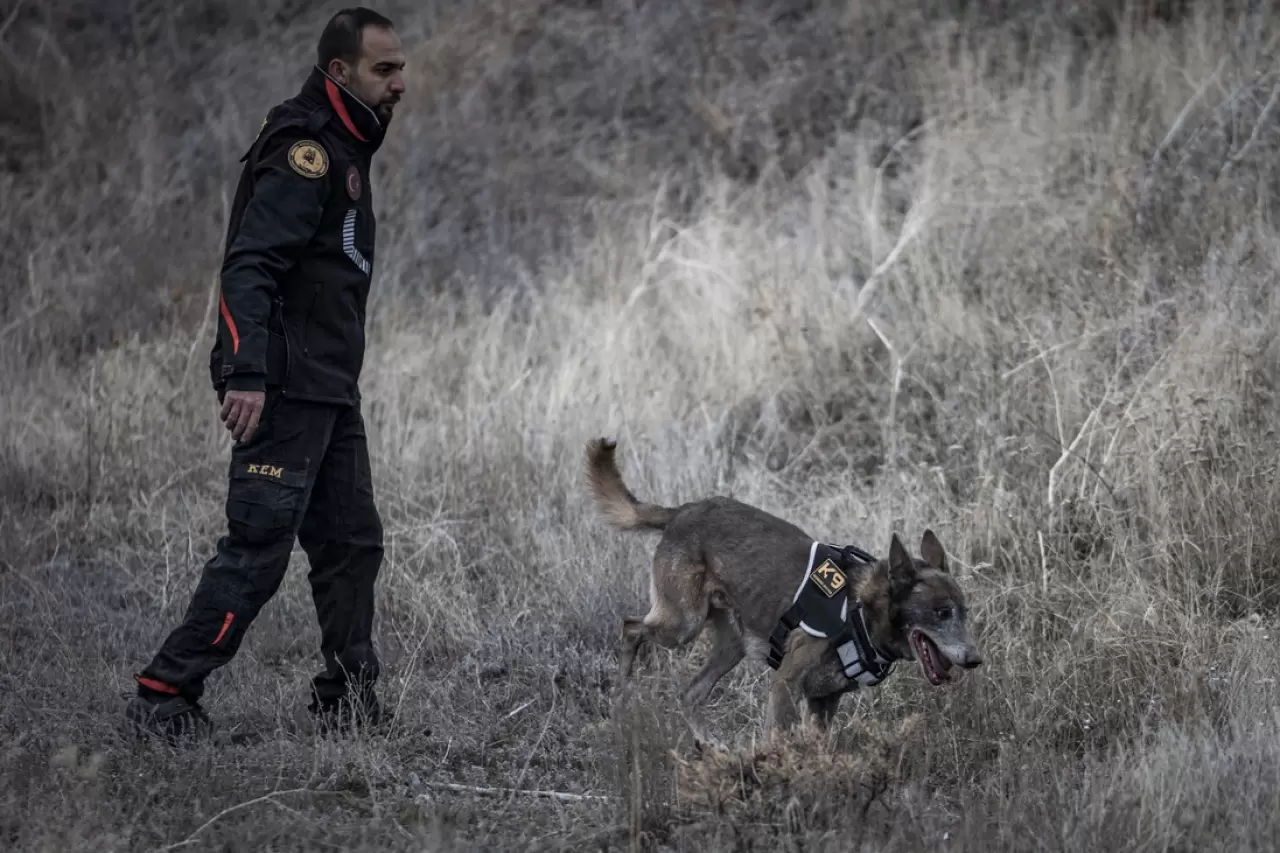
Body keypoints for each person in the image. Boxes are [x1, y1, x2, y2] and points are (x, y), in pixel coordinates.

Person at [124, 7, 407, 742]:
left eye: (400, 67)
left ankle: (346, 697)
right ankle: (164, 694)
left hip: (326, 386)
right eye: (385, 69)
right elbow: (249, 266)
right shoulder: (307, 149)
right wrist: (246, 372)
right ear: (339, 72)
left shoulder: (346, 141)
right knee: (257, 547)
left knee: (352, 541)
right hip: (281, 385)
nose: (399, 82)